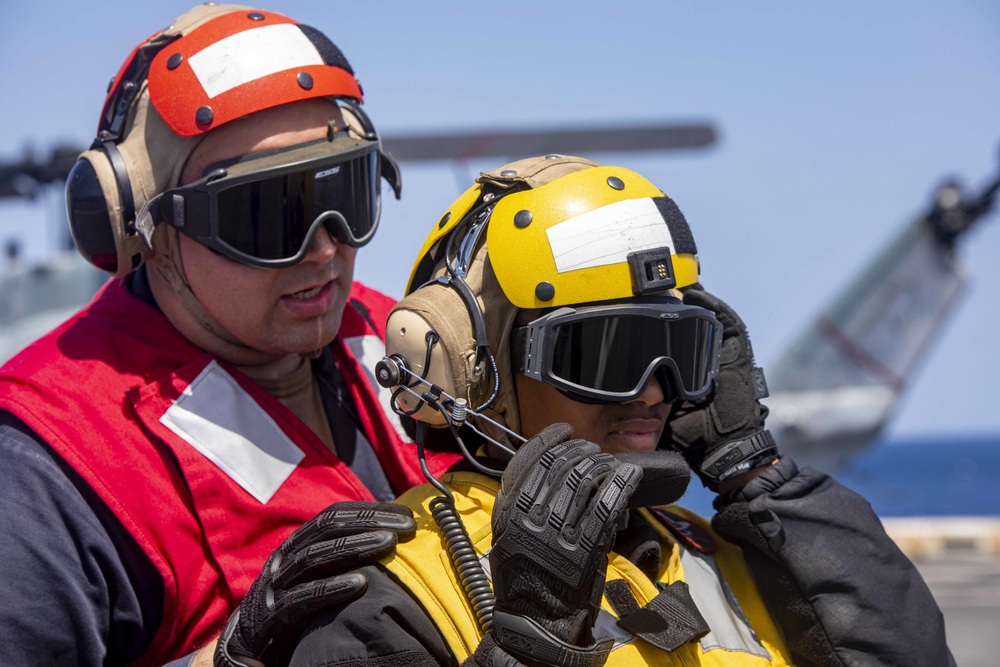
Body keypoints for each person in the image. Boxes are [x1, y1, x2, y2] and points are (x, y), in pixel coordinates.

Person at [284, 155, 954, 666]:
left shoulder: (727, 550)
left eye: (677, 351)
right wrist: (526, 645)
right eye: (609, 354)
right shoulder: (392, 589)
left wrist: (757, 473)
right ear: (470, 366)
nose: (654, 391)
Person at [0, 5, 461, 665]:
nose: (325, 249)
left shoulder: (411, 344)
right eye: (272, 214)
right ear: (145, 226)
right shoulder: (48, 468)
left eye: (345, 191)